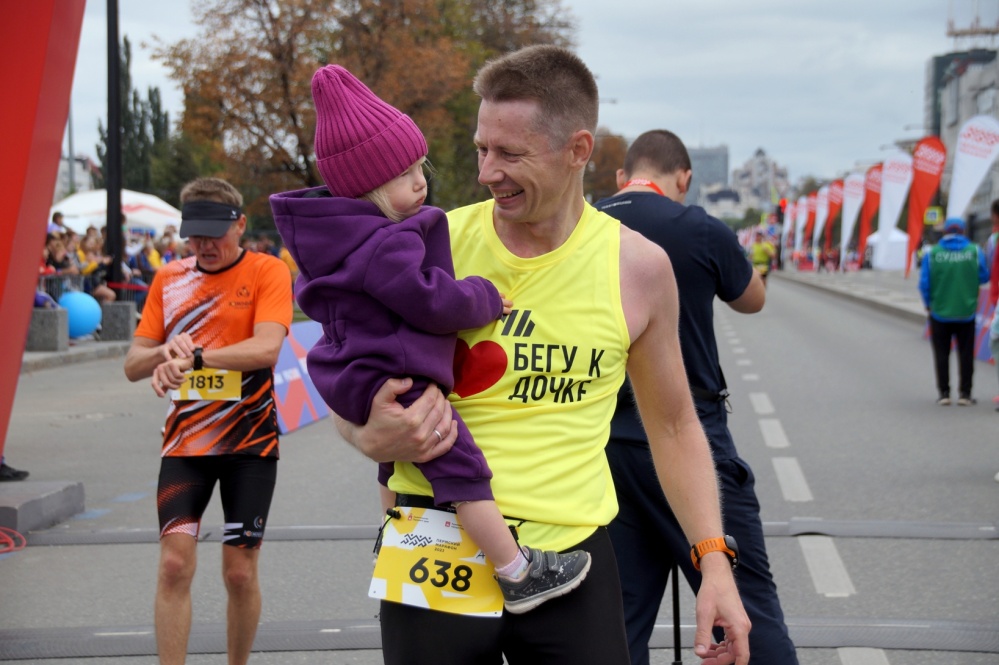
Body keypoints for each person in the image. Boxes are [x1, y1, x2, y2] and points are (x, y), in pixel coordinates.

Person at [334, 45, 750, 665]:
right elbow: (350, 366)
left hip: (571, 561)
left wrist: (713, 563)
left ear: (578, 150)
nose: (485, 172)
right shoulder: (427, 243)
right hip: (435, 546)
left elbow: (673, 424)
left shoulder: (637, 268)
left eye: (509, 154)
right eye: (481, 149)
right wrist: (363, 433)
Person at [270, 64, 591, 614]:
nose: (421, 182)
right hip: (395, 373)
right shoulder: (386, 245)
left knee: (392, 466)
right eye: (403, 176)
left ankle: (391, 531)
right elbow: (434, 300)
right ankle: (518, 572)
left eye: (422, 167)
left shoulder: (336, 239)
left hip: (355, 370)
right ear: (368, 188)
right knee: (461, 468)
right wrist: (484, 296)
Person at [595, 129, 797, 665]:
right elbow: (751, 300)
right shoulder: (698, 226)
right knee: (744, 610)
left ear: (622, 177)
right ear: (684, 178)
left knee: (616, 623)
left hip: (602, 444)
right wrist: (757, 261)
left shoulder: (584, 222)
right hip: (691, 437)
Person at [122, 177, 293, 665]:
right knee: (174, 566)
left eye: (214, 234)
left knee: (239, 571)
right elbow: (133, 364)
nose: (204, 246)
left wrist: (196, 357)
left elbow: (266, 347)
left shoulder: (266, 270)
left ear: (240, 225)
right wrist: (162, 353)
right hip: (185, 447)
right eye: (194, 236)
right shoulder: (169, 278)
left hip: (250, 444)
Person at [918, 216, 989, 406]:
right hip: (966, 311)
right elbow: (984, 276)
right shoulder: (974, 251)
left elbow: (924, 283)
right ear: (964, 231)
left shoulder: (932, 253)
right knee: (966, 354)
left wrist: (928, 303)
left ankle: (944, 393)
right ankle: (965, 394)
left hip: (939, 312)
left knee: (941, 354)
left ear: (945, 231)